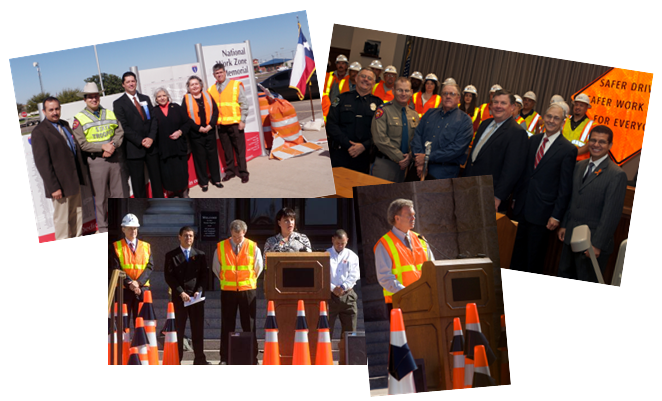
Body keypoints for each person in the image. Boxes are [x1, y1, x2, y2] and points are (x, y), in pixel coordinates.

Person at [510, 103, 577, 274]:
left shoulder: (568, 149)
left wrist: (556, 215)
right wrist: (516, 198)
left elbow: (565, 186)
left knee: (533, 260)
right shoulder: (533, 140)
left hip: (543, 214)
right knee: (514, 255)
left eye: (556, 118)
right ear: (543, 118)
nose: (551, 121)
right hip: (521, 208)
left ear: (563, 122)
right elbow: (525, 173)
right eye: (549, 116)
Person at [557, 125, 628, 282]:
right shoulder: (579, 166)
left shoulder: (617, 174)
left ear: (610, 145)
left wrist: (597, 244)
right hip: (570, 237)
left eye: (602, 142)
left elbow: (611, 214)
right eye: (593, 140)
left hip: (592, 244)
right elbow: (572, 199)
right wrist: (564, 224)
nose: (596, 145)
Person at [32, 96, 88, 240]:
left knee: (77, 215)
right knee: (62, 221)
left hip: (74, 181)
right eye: (51, 110)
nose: (55, 112)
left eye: (57, 109)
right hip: (59, 187)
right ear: (44, 111)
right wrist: (53, 187)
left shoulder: (65, 124)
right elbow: (42, 163)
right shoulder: (39, 132)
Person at [72, 82, 126, 233]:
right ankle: (103, 228)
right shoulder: (79, 118)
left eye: (95, 96)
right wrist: (102, 147)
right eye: (90, 97)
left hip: (114, 158)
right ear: (85, 99)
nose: (93, 99)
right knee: (101, 197)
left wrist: (112, 145)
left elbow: (119, 132)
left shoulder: (109, 113)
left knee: (118, 194)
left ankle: (119, 223)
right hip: (96, 161)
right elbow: (81, 143)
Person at [463, 90, 529, 212]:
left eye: (503, 103)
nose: (498, 106)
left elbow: (512, 170)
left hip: (490, 195)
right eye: (496, 102)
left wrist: (498, 196)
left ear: (512, 107)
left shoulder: (517, 133)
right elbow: (474, 158)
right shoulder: (484, 124)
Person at [212, 220, 263, 364]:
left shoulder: (253, 247)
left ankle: (253, 358)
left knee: (250, 325)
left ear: (244, 233)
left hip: (247, 290)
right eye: (234, 236)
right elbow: (217, 268)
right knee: (227, 324)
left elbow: (258, 267)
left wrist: (247, 281)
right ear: (230, 233)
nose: (236, 239)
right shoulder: (221, 247)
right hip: (228, 290)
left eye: (239, 236)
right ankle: (225, 358)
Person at [374, 199, 433, 310]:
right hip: (399, 303)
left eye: (414, 215)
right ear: (397, 218)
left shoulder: (421, 239)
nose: (413, 218)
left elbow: (433, 268)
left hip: (425, 300)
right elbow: (384, 277)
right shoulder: (384, 244)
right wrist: (406, 294)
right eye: (409, 215)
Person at [113, 71, 163, 198]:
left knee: (156, 180)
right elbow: (123, 126)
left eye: (133, 81)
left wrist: (151, 138)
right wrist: (141, 141)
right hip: (134, 148)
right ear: (123, 85)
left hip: (151, 147)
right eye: (128, 82)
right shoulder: (118, 103)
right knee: (138, 183)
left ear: (136, 82)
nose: (131, 84)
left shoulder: (145, 99)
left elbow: (154, 120)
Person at [163, 226, 209, 364]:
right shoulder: (171, 255)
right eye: (186, 236)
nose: (188, 238)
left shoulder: (200, 255)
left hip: (196, 299)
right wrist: (180, 292)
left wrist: (198, 291)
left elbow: (204, 276)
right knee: (179, 331)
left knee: (197, 330)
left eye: (191, 236)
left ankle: (200, 359)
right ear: (179, 237)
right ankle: (177, 360)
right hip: (179, 299)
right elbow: (169, 276)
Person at [411, 83, 473, 180]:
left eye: (452, 94)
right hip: (418, 168)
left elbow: (456, 149)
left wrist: (427, 158)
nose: (448, 96)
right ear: (441, 96)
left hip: (443, 173)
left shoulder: (465, 121)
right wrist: (420, 162)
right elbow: (417, 135)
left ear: (458, 98)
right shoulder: (430, 113)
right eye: (445, 93)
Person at [326, 68, 383, 174]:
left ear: (374, 83)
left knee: (357, 189)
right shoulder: (341, 99)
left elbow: (381, 131)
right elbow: (331, 125)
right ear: (356, 78)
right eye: (363, 76)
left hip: (364, 157)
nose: (366, 79)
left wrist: (364, 146)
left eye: (369, 78)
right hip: (340, 153)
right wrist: (348, 144)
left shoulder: (379, 104)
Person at [109, 213, 153, 329]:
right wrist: (130, 283)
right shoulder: (116, 246)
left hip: (142, 290)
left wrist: (138, 283)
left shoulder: (146, 246)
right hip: (124, 291)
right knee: (123, 325)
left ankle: (141, 348)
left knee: (142, 326)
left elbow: (150, 267)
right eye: (130, 228)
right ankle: (124, 347)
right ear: (123, 229)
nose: (133, 231)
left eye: (135, 228)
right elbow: (116, 268)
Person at [371, 77, 419, 182]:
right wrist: (401, 158)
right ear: (393, 90)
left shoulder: (414, 114)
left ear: (411, 92)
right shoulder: (383, 111)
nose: (403, 93)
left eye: (406, 90)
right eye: (399, 90)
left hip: (404, 167)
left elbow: (416, 140)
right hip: (385, 164)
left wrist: (410, 156)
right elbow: (380, 139)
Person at [208, 63, 250, 184]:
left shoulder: (235, 85)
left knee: (239, 150)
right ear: (214, 75)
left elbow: (244, 103)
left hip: (235, 124)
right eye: (217, 73)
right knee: (227, 151)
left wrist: (243, 120)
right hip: (221, 126)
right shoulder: (211, 89)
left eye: (221, 72)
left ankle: (243, 173)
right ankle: (230, 172)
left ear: (225, 72)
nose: (219, 75)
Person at [182, 75, 223, 192]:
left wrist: (210, 125)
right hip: (196, 135)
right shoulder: (186, 99)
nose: (194, 86)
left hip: (210, 132)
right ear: (188, 87)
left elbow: (215, 111)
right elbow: (185, 117)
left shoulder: (207, 95)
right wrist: (198, 128)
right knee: (200, 159)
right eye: (192, 84)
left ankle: (216, 179)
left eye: (196, 84)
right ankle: (204, 183)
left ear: (200, 85)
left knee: (213, 157)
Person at [152, 87, 192, 198]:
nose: (162, 98)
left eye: (164, 95)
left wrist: (180, 132)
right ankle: (174, 192)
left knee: (182, 171)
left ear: (168, 96)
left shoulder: (177, 108)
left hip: (179, 146)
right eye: (159, 96)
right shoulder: (153, 111)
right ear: (156, 99)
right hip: (164, 148)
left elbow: (187, 123)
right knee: (169, 173)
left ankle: (184, 191)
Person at [327, 229, 360, 341]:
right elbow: (321, 275)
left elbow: (354, 275)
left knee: (350, 331)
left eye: (343, 243)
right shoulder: (325, 255)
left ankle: (347, 358)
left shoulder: (352, 256)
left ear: (347, 241)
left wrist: (343, 287)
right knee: (325, 330)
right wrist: (333, 288)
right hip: (329, 296)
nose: (340, 246)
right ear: (333, 240)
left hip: (348, 296)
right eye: (338, 243)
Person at [562, 93, 594, 161]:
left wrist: (572, 153)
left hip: (579, 162)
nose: (578, 107)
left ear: (586, 108)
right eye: (576, 104)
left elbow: (590, 144)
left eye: (581, 105)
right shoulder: (564, 120)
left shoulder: (592, 125)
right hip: (561, 158)